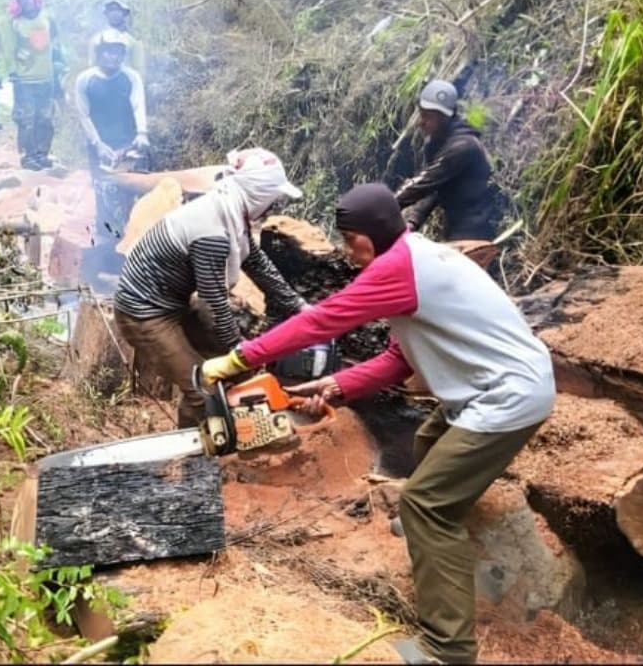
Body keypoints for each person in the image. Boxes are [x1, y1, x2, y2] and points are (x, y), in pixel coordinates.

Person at [200, 182, 556, 664]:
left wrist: (242, 357)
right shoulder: (414, 257)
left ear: (374, 233)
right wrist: (336, 387)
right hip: (498, 388)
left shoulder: (398, 267)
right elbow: (396, 360)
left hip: (508, 398)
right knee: (429, 438)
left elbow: (322, 321)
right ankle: (426, 533)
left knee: (426, 505)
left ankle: (447, 648)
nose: (346, 251)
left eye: (350, 239)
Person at [113, 148, 308, 431]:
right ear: (258, 195)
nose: (273, 208)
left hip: (175, 300)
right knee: (202, 388)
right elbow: (215, 301)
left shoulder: (229, 211)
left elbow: (254, 260)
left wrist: (298, 305)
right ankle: (197, 459)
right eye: (272, 201)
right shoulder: (211, 232)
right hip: (145, 314)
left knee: (227, 369)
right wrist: (240, 352)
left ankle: (220, 432)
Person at [75, 29, 150, 289]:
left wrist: (142, 134)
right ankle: (106, 258)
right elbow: (84, 115)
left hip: (128, 142)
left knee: (132, 194)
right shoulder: (85, 80)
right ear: (99, 52)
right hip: (99, 146)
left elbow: (139, 105)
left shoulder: (131, 78)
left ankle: (134, 250)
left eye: (118, 52)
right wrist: (98, 144)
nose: (112, 56)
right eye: (108, 51)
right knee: (104, 195)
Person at [394, 79, 498, 244]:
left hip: (475, 229)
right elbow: (432, 189)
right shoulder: (435, 144)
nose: (421, 122)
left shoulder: (463, 146)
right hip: (454, 226)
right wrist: (413, 221)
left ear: (444, 118)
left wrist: (385, 207)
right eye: (421, 114)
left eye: (428, 117)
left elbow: (423, 184)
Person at [4, 0, 64, 170]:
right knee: (26, 119)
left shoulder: (48, 18)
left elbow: (56, 42)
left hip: (47, 78)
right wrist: (13, 71)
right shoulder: (14, 23)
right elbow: (8, 50)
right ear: (17, 2)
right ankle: (28, 156)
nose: (26, 1)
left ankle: (42, 153)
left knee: (46, 118)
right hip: (25, 80)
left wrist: (60, 65)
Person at [87, 0, 146, 79]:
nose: (114, 13)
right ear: (106, 13)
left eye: (118, 9)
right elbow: (92, 69)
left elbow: (139, 71)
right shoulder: (96, 40)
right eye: (111, 9)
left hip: (126, 89)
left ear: (124, 13)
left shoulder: (133, 41)